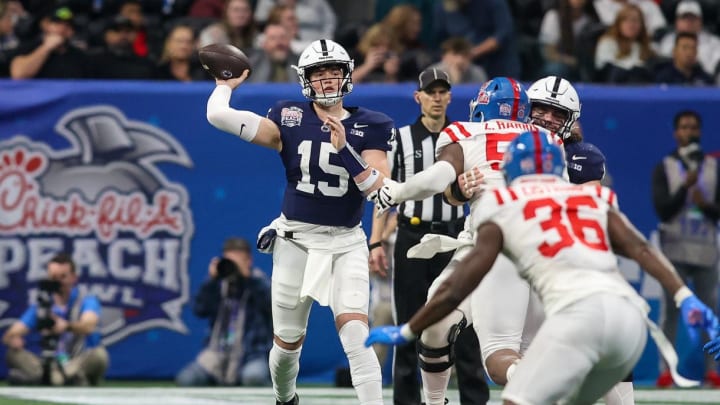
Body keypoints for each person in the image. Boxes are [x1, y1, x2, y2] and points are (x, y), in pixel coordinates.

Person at [366, 130, 720, 404]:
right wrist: (686, 297)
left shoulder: (504, 202)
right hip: (627, 324)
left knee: (515, 385)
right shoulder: (590, 195)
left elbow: (460, 283)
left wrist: (410, 329)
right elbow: (640, 248)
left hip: (575, 319)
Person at [205, 38, 393, 405]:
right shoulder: (289, 115)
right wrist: (223, 87)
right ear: (305, 79)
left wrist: (346, 151)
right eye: (318, 72)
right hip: (296, 239)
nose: (326, 79)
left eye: (333, 71)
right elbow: (217, 116)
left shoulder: (372, 124)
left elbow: (380, 189)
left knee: (357, 334)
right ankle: (285, 398)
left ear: (347, 74)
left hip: (347, 240)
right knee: (287, 344)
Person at [366, 77, 555, 405]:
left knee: (499, 358)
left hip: (499, 245)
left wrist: (397, 191)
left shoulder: (464, 132)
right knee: (435, 325)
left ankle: (551, 384)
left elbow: (440, 177)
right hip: (538, 248)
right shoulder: (547, 138)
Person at [368, 67, 488, 405]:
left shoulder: (466, 136)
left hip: (456, 239)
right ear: (418, 96)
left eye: (442, 92)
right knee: (408, 324)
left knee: (464, 327)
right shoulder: (401, 138)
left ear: (450, 96)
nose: (436, 98)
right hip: (411, 236)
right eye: (430, 92)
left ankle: (474, 401)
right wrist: (376, 241)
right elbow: (387, 193)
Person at [653, 109, 720, 387]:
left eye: (693, 127)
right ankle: (666, 369)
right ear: (675, 133)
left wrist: (705, 205)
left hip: (705, 251)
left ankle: (712, 370)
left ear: (700, 132)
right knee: (670, 313)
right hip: (675, 251)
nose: (688, 132)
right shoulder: (665, 166)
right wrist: (684, 188)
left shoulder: (715, 168)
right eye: (683, 127)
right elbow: (663, 210)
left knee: (709, 312)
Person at [175, 237, 272, 387]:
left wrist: (249, 278)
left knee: (254, 378)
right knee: (186, 379)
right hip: (217, 353)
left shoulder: (258, 281)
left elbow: (271, 305)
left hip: (251, 355)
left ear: (248, 261)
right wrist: (211, 280)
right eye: (229, 261)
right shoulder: (219, 284)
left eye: (237, 262)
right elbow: (199, 309)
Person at [2, 253, 109, 386]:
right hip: (50, 362)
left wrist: (66, 326)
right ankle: (67, 379)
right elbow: (9, 335)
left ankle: (47, 378)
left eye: (63, 277)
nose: (58, 282)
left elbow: (88, 326)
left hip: (77, 360)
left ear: (73, 278)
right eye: (53, 277)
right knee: (14, 354)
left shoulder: (86, 301)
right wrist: (13, 340)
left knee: (99, 355)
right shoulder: (42, 306)